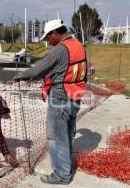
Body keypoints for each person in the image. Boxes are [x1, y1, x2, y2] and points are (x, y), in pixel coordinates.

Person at [14, 19, 87, 184]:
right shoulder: (78, 45)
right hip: (75, 97)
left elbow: (39, 68)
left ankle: (62, 174)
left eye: (48, 38)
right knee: (68, 134)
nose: (48, 42)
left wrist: (21, 76)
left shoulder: (60, 50)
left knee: (56, 138)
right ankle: (66, 165)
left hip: (60, 99)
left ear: (55, 33)